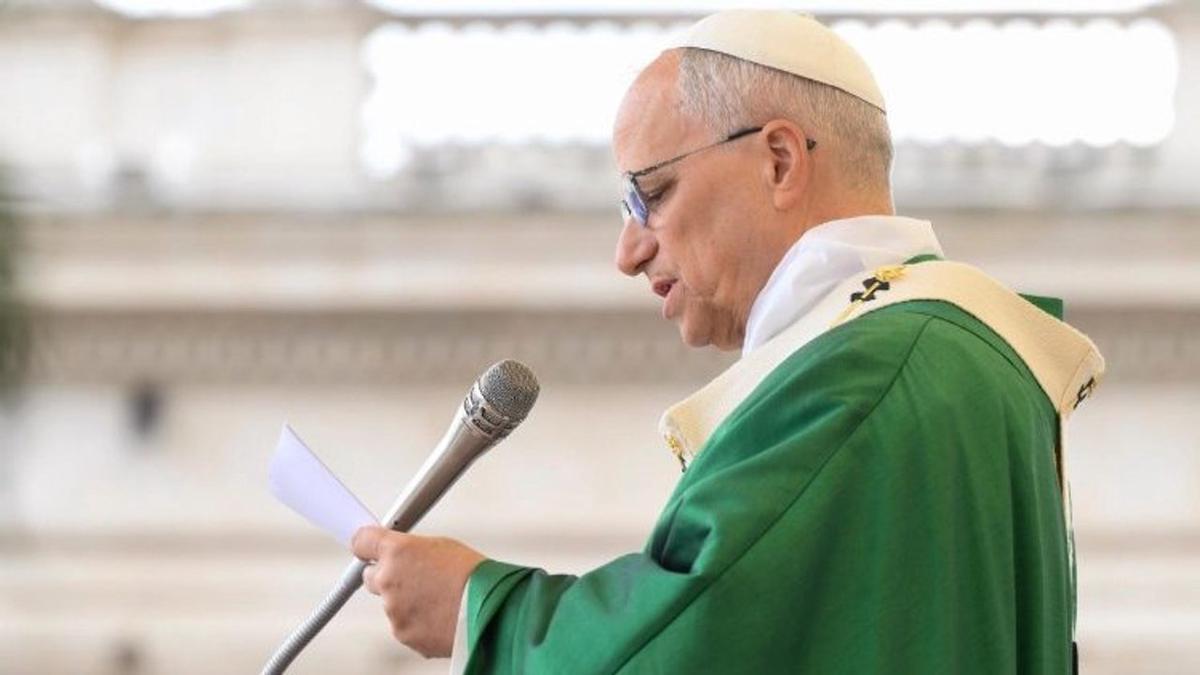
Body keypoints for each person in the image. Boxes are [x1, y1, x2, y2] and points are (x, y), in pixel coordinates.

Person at [350, 10, 1105, 673]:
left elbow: (691, 640)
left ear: (779, 161)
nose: (628, 250)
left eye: (650, 193)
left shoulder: (860, 375)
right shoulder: (955, 356)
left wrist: (481, 612)